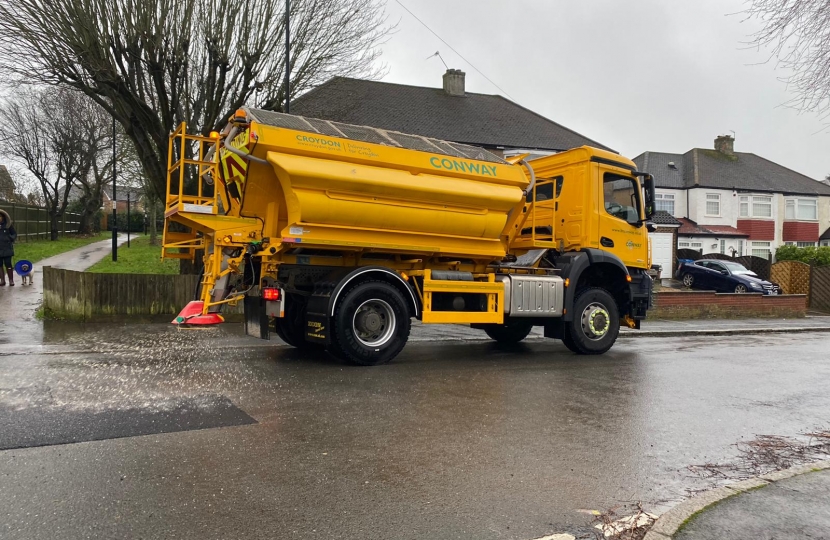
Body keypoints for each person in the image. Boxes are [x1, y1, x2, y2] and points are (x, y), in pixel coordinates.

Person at [0, 209, 17, 286]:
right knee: (0, 265)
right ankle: (2, 280)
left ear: (3, 217)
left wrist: (10, 238)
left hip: (7, 248)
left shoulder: (8, 225)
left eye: (0, 216)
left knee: (8, 264)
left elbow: (14, 234)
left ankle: (11, 280)